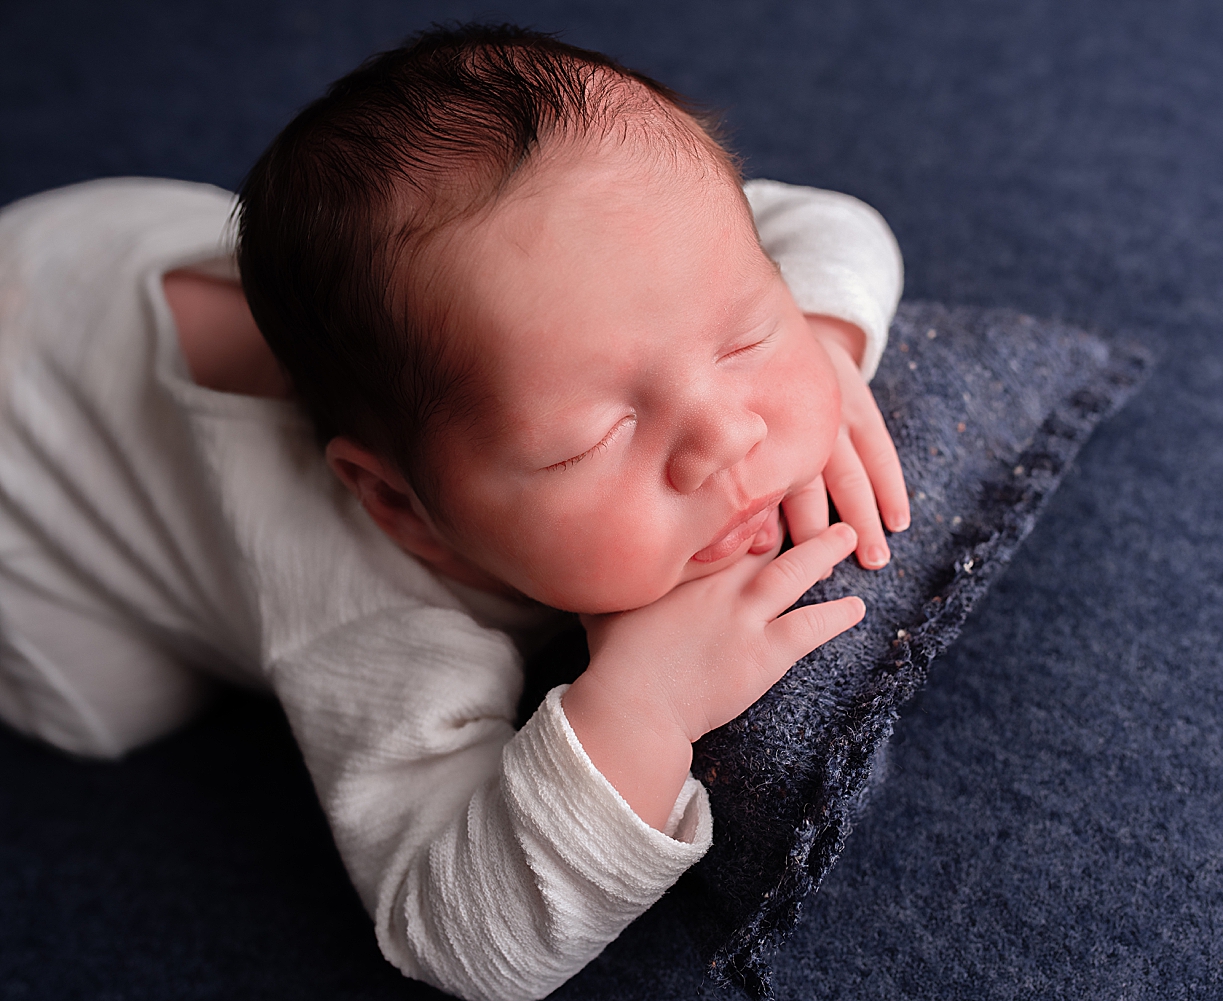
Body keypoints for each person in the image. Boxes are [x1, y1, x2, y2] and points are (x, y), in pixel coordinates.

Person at [0, 23, 906, 1001]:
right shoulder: (372, 611)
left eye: (743, 339)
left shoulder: (632, 255)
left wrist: (820, 337)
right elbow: (460, 936)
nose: (728, 435)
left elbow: (829, 223)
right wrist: (641, 706)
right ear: (401, 504)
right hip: (34, 483)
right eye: (592, 438)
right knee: (120, 705)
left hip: (93, 244)